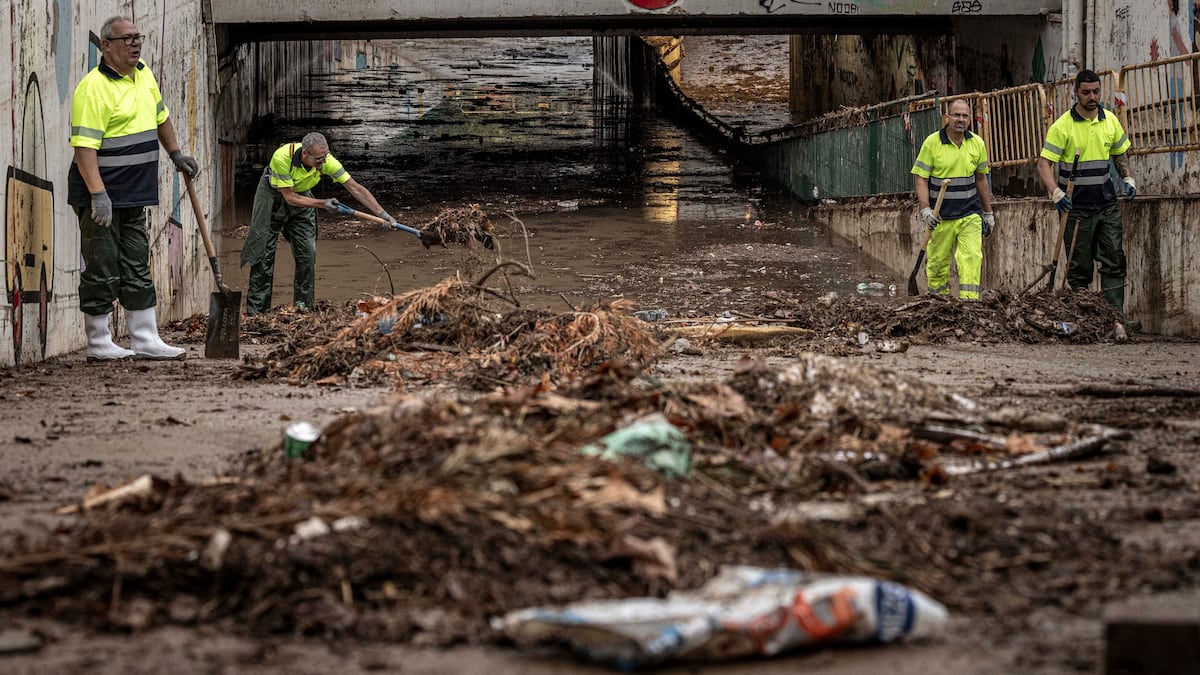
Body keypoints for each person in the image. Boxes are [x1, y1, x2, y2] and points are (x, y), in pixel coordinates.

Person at [68, 16, 198, 362]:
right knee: (102, 265)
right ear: (105, 45)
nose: (134, 44)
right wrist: (97, 194)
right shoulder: (93, 88)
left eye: (137, 37)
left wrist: (176, 154)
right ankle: (98, 342)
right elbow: (84, 149)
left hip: (134, 193)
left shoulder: (143, 74)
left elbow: (161, 117)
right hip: (102, 195)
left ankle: (145, 338)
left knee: (137, 264)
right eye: (125, 39)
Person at [240, 132, 397, 315]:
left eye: (325, 157)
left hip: (302, 197)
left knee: (307, 252)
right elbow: (289, 197)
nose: (323, 163)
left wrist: (382, 213)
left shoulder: (327, 161)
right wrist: (323, 203)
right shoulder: (282, 157)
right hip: (273, 195)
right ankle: (257, 311)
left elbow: (355, 188)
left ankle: (303, 308)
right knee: (263, 253)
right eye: (318, 160)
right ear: (305, 154)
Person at [1037, 69, 1137, 328]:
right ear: (1076, 93)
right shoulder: (1063, 126)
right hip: (1076, 208)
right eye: (1086, 92)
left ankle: (1116, 318)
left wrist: (1128, 179)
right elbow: (1044, 163)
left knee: (1114, 259)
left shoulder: (1110, 120)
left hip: (1106, 204)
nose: (1092, 97)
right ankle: (1085, 318)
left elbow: (1120, 154)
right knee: (1078, 267)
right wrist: (1056, 193)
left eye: (1095, 91)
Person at [911, 99, 995, 300]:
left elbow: (981, 179)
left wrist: (988, 213)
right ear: (947, 117)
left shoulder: (977, 143)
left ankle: (970, 305)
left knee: (971, 259)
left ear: (969, 120)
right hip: (941, 217)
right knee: (938, 264)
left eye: (965, 116)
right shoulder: (932, 143)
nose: (961, 119)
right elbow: (921, 178)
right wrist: (925, 210)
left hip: (970, 214)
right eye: (956, 115)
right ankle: (940, 304)